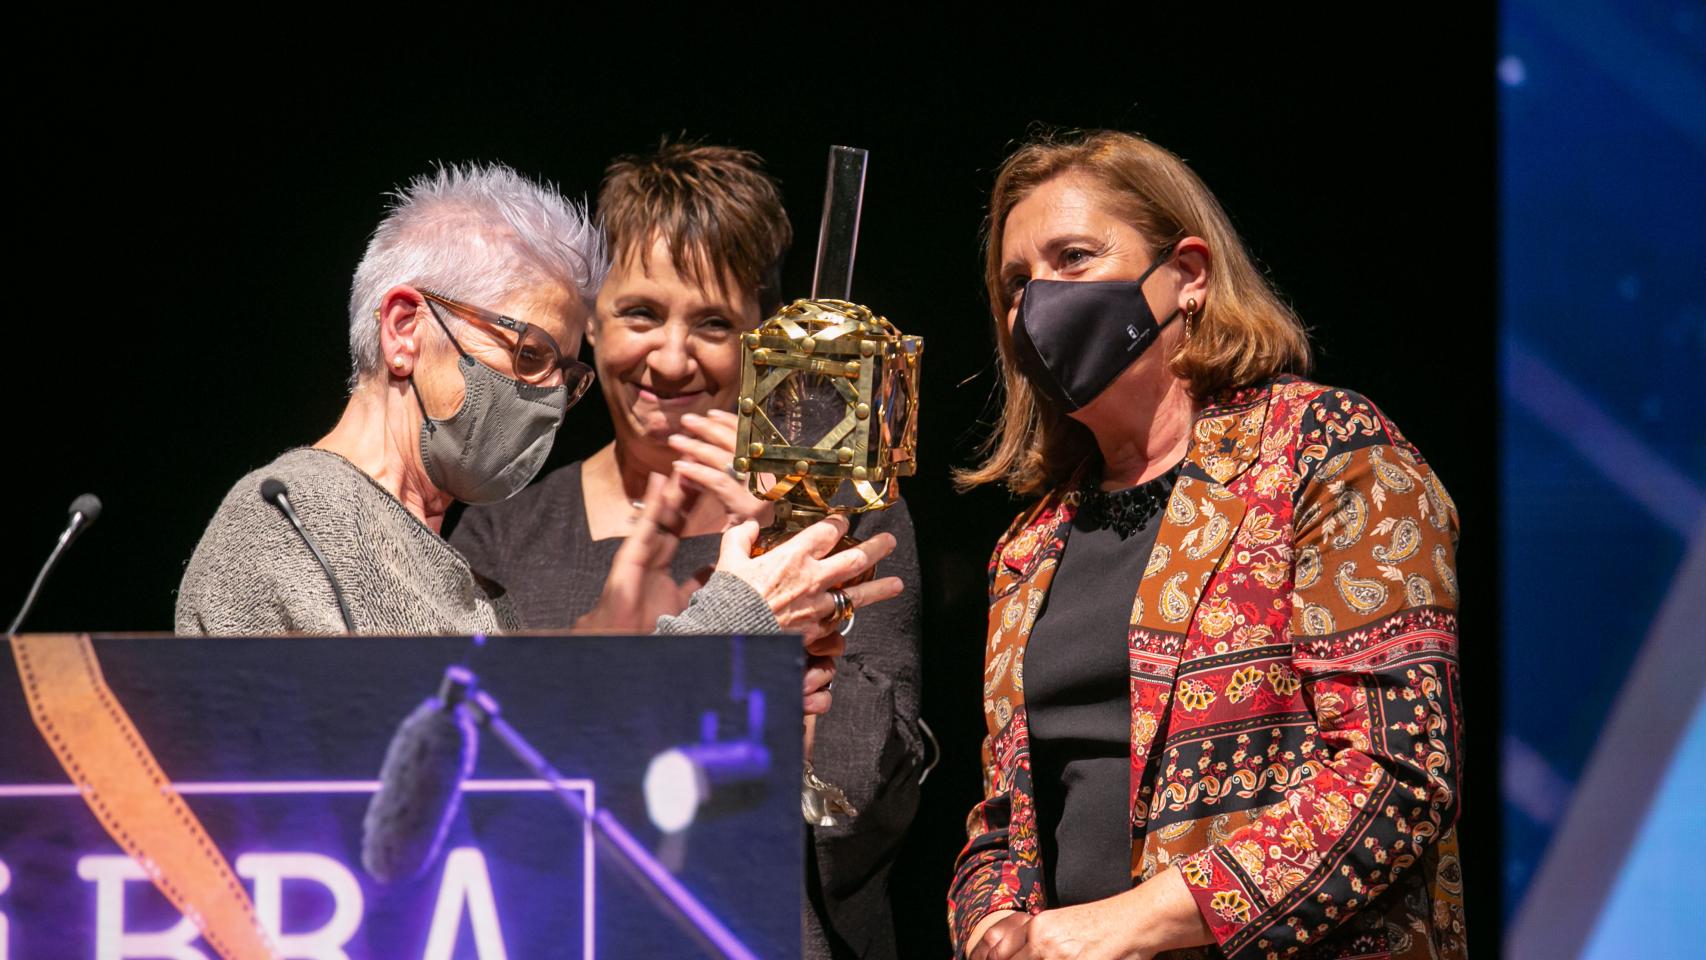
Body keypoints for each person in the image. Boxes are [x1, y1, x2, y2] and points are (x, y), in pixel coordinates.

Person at [949, 131, 1465, 960]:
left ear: (1186, 275)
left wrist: (1135, 922)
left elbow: (1398, 770)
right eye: (1016, 285)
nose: (1038, 302)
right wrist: (992, 927)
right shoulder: (1031, 544)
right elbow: (1004, 821)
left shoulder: (1326, 452)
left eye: (1073, 257)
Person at [452, 142, 924, 960]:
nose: (671, 360)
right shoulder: (504, 530)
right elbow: (490, 791)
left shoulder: (844, 511)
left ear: (763, 345)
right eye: (640, 313)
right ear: (590, 325)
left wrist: (783, 532)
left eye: (712, 323)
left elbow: (863, 791)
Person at [175, 163, 901, 690]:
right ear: (403, 329)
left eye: (564, 373)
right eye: (527, 356)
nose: (549, 398)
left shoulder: (465, 578)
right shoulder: (285, 525)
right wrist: (735, 622)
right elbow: (453, 791)